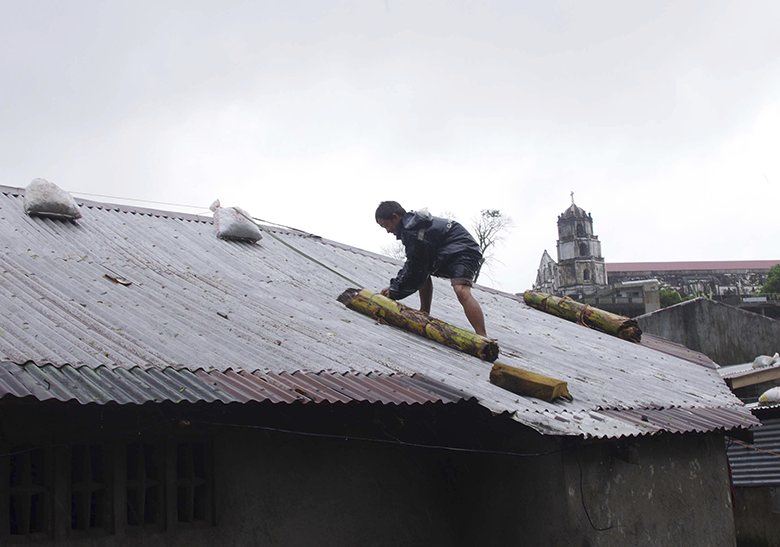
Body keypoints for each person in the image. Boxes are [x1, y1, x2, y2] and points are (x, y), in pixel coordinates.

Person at [375, 201, 487, 336]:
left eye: (385, 225)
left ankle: (482, 336)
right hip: (447, 251)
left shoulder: (413, 230)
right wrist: (394, 286)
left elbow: (414, 268)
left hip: (464, 250)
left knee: (461, 290)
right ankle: (424, 311)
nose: (387, 230)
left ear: (395, 217)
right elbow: (414, 264)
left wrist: (394, 291)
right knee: (422, 270)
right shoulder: (412, 226)